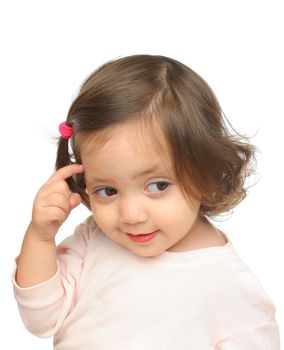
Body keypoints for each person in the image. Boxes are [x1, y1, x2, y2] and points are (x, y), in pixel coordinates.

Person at [12, 55, 280, 349]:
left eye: (157, 185)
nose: (131, 214)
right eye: (108, 191)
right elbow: (41, 321)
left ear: (205, 172)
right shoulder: (92, 239)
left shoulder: (231, 290)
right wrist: (40, 237)